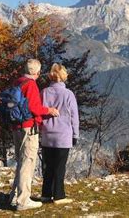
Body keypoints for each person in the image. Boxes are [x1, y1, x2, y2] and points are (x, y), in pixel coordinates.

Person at [9, 59, 59, 211]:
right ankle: (23, 200)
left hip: (16, 126)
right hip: (28, 127)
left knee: (21, 161)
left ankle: (14, 197)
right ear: (35, 72)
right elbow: (34, 107)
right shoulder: (30, 84)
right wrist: (49, 110)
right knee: (27, 161)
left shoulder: (18, 82)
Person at [40, 63, 80, 205]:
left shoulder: (44, 92)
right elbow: (74, 116)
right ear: (64, 76)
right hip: (63, 135)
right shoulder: (68, 94)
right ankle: (59, 195)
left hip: (46, 134)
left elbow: (39, 111)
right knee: (59, 166)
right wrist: (75, 135)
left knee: (48, 166)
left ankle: (45, 194)